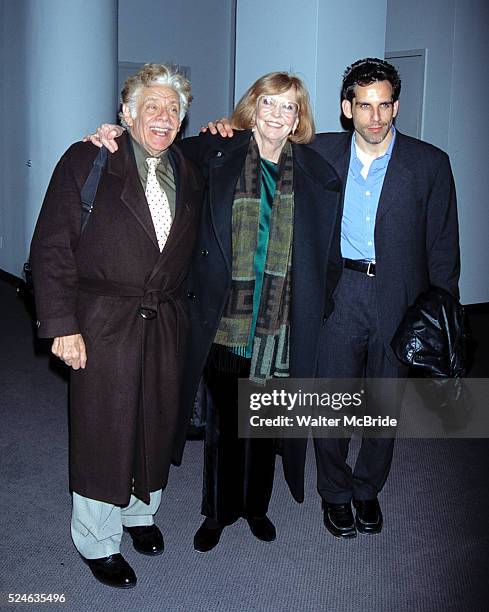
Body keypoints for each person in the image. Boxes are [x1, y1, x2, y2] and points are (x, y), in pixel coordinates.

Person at [203, 57, 460, 539]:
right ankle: (336, 493)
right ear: (348, 109)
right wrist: (226, 129)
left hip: (400, 299)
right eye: (365, 106)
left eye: (385, 106)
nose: (376, 117)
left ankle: (368, 490)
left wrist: (442, 313)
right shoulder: (318, 153)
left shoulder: (430, 164)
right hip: (339, 292)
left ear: (396, 106)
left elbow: (444, 247)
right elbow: (260, 144)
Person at [88, 71, 343, 551]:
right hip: (226, 316)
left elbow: (328, 255)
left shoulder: (316, 174)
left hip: (280, 323)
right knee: (226, 421)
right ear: (253, 107)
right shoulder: (214, 152)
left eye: (288, 106)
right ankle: (220, 512)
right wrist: (114, 134)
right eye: (268, 102)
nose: (276, 113)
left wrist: (314, 304)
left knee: (267, 423)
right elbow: (157, 152)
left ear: (298, 118)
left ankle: (256, 507)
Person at [30, 64, 203, 588]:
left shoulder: (189, 170)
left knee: (155, 419)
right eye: (151, 105)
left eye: (173, 109)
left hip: (166, 321)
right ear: (125, 114)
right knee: (103, 429)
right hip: (104, 321)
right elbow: (52, 247)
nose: (163, 116)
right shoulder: (89, 159)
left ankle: (139, 515)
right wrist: (62, 325)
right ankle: (98, 539)